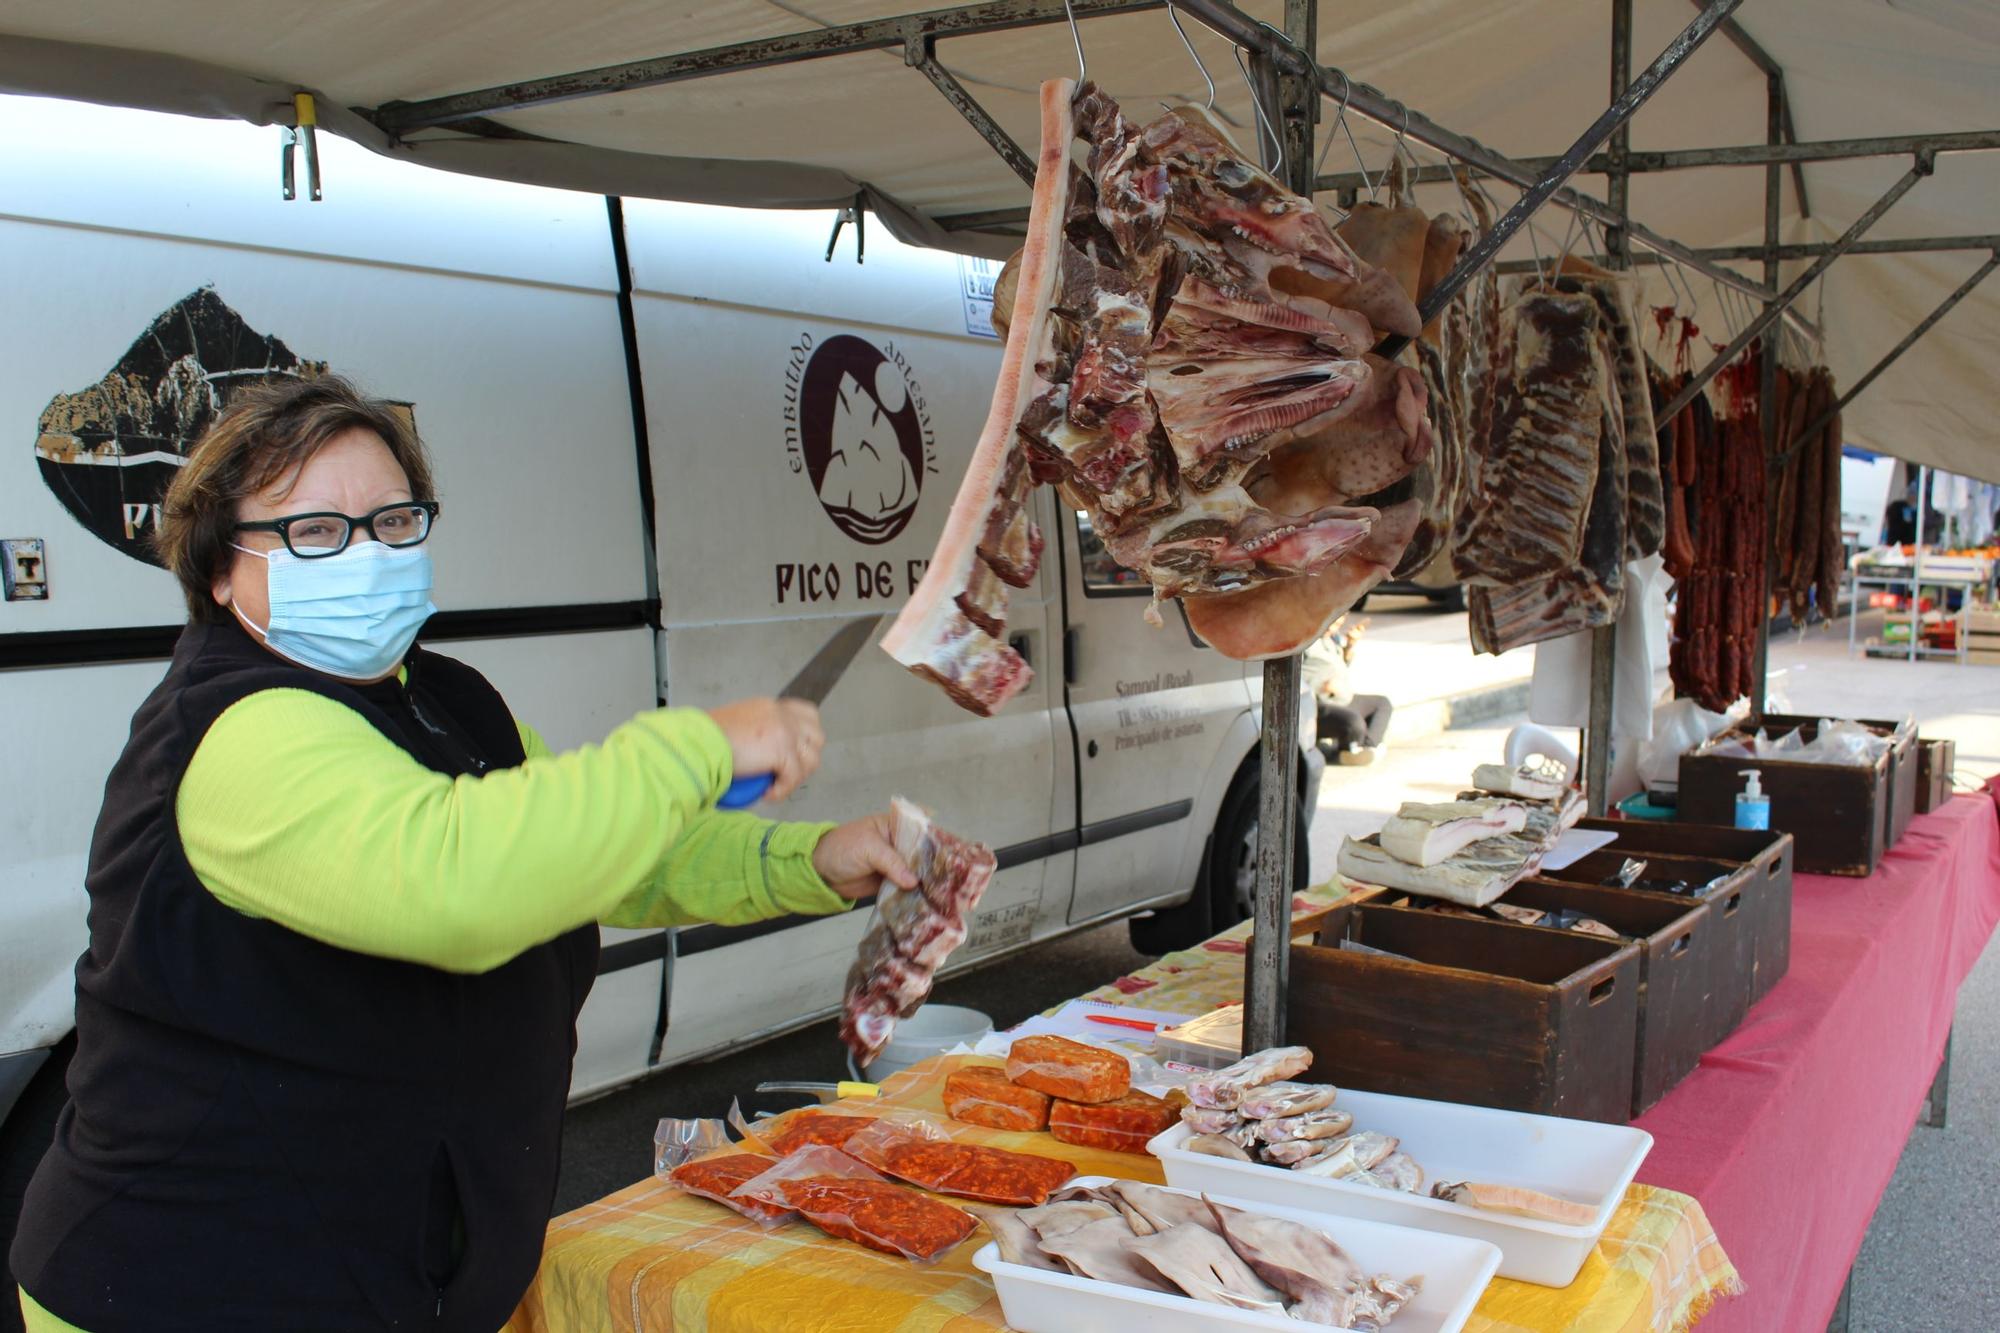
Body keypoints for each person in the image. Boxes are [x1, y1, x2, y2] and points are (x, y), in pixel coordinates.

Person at [10, 377, 920, 1333]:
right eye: (314, 532)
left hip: (397, 1275)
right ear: (219, 569)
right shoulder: (234, 731)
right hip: (196, 1288)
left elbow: (591, 846)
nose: (368, 552)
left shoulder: (442, 694)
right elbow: (459, 880)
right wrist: (698, 745)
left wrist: (813, 859)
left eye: (394, 520)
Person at [1302, 615, 1393, 765]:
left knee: (1382, 703)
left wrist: (1350, 646)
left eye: (1338, 623)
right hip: (1316, 705)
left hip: (1341, 699)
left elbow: (1338, 667)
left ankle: (1366, 748)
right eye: (1331, 622)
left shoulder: (1332, 639)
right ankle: (1341, 752)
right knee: (1353, 723)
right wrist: (1320, 686)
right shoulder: (1307, 641)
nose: (1333, 627)